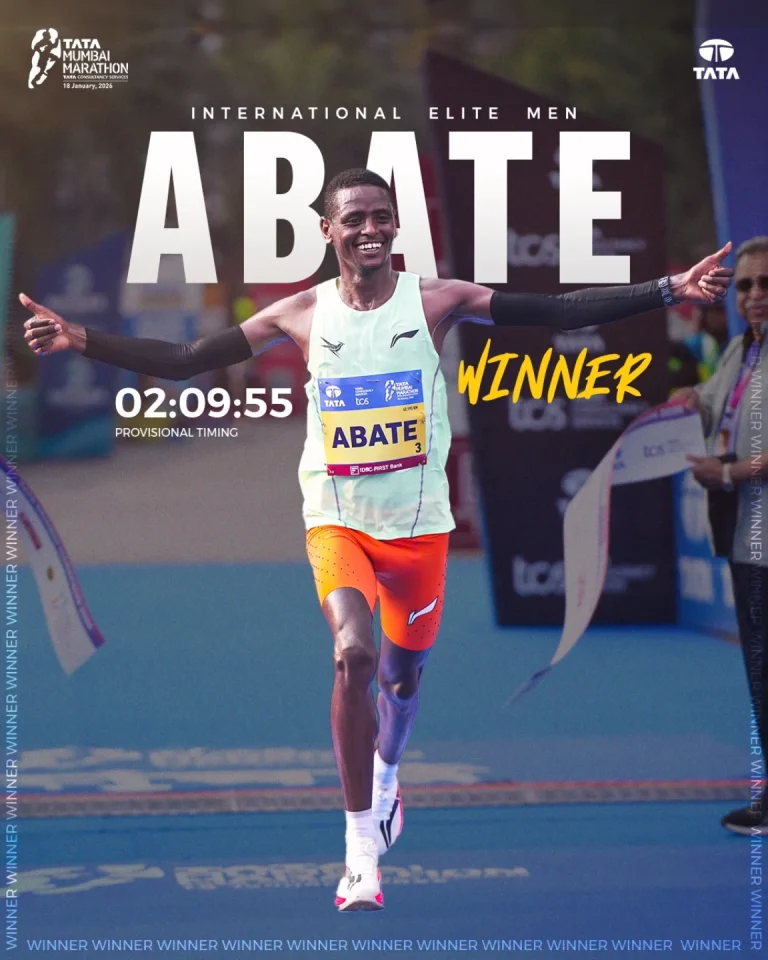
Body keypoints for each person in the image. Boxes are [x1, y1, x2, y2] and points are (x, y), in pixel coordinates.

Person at [22, 169, 732, 909]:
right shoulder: (298, 312)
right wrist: (81, 338)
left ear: (396, 227)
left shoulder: (438, 300)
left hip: (418, 528)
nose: (369, 229)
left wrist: (666, 288)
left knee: (401, 679)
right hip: (336, 516)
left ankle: (390, 777)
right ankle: (361, 845)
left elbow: (549, 309)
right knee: (352, 653)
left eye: (381, 216)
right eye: (353, 218)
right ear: (327, 231)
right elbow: (185, 358)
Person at [676, 236, 768, 836]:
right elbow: (708, 409)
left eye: (765, 286)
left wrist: (732, 471)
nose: (755, 296)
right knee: (759, 666)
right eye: (745, 286)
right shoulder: (740, 349)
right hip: (746, 537)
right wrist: (679, 407)